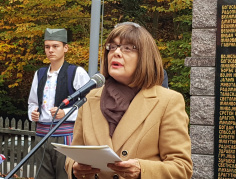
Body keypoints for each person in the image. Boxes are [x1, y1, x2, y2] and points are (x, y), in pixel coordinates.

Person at [65, 22, 193, 179]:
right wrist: (74, 168)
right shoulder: (91, 98)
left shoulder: (168, 101)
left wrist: (142, 170)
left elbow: (182, 168)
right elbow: (75, 153)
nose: (116, 52)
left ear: (145, 56)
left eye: (127, 48)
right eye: (112, 47)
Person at [28, 28, 90, 179]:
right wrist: (33, 113)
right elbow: (32, 103)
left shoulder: (76, 72)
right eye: (47, 47)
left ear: (65, 48)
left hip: (66, 135)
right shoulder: (40, 73)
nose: (50, 50)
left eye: (55, 46)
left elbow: (90, 104)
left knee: (66, 175)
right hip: (42, 134)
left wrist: (67, 113)